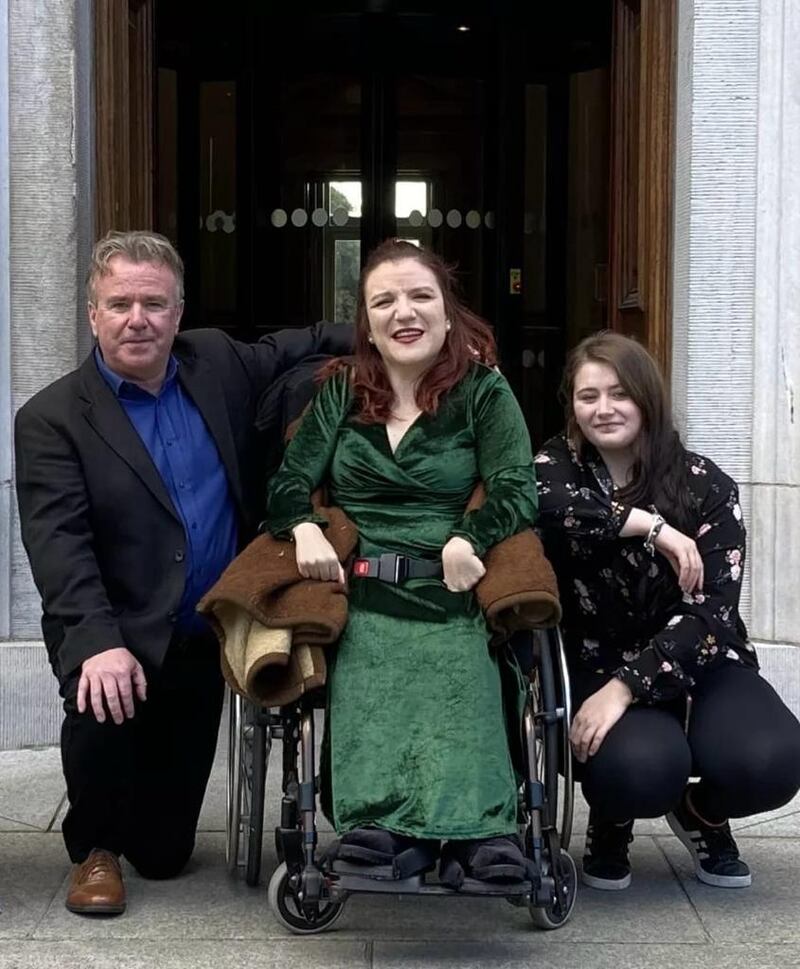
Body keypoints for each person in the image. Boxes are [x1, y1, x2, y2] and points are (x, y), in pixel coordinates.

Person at [14, 230, 352, 915]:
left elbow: (310, 339)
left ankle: (139, 834)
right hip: (118, 624)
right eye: (119, 303)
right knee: (101, 707)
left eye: (154, 303)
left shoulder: (218, 362)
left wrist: (405, 328)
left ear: (178, 310)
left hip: (205, 623)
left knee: (167, 855)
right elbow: (59, 544)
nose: (137, 318)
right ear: (93, 314)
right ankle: (95, 849)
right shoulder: (51, 418)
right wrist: (97, 640)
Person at [262, 238, 538, 885]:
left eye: (420, 296)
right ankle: (381, 827)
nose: (403, 312)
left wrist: (471, 536)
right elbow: (287, 480)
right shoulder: (339, 391)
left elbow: (517, 485)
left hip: (451, 586)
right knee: (366, 657)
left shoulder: (482, 392)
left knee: (463, 660)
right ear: (367, 319)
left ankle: (482, 830)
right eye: (383, 300)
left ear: (447, 312)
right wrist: (300, 524)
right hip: (360, 590)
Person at [534, 331, 800, 891]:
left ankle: (702, 810)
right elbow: (545, 506)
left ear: (647, 399)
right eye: (588, 396)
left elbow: (713, 611)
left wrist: (626, 686)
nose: (603, 409)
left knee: (772, 760)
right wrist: (650, 528)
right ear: (572, 405)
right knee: (641, 770)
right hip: (594, 657)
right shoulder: (555, 467)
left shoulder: (704, 483)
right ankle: (614, 815)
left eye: (619, 393)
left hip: (696, 660)